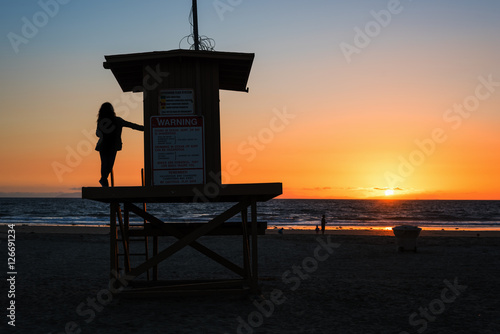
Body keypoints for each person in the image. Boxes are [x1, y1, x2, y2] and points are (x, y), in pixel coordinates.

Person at [95, 102, 144, 187]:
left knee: (105, 164)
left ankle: (103, 180)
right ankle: (104, 180)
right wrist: (144, 128)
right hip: (110, 146)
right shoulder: (117, 120)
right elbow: (132, 125)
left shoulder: (103, 121)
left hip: (105, 146)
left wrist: (144, 128)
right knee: (108, 164)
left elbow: (97, 133)